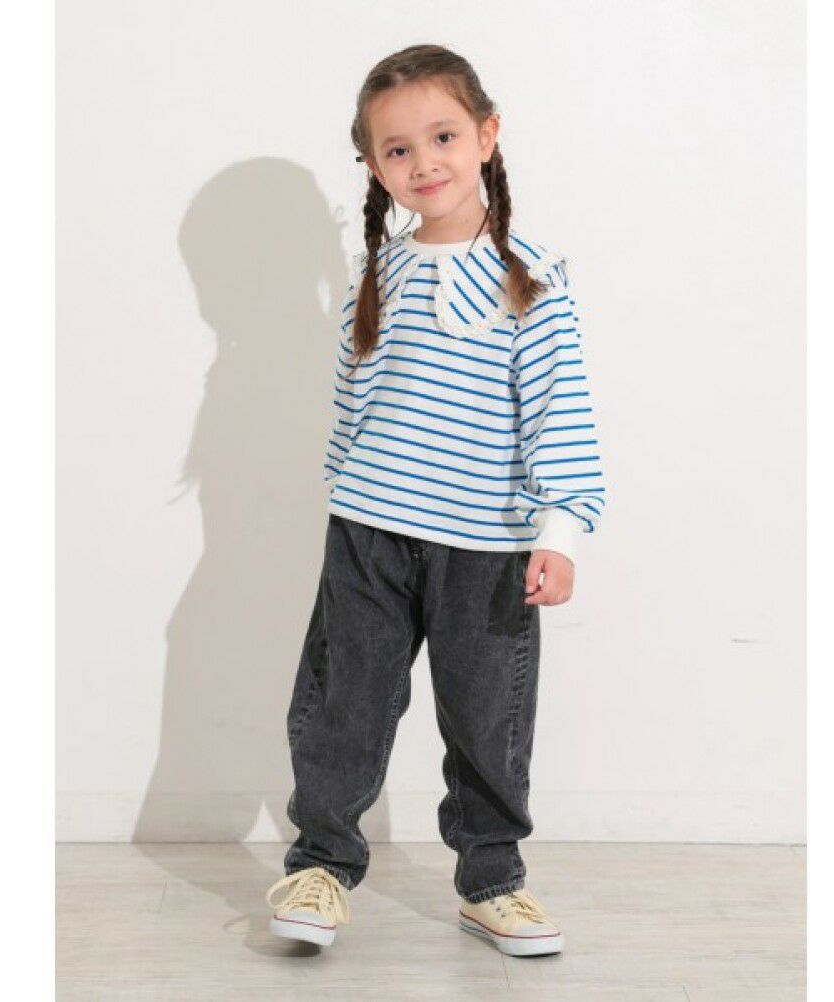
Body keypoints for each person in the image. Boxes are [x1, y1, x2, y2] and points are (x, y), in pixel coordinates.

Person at [266, 43, 608, 957]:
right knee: (344, 703)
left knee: (489, 720)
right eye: (398, 149)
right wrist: (343, 492)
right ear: (374, 167)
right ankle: (321, 864)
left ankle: (492, 880)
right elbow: (354, 396)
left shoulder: (532, 275)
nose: (425, 162)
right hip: (370, 532)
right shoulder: (379, 270)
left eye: (444, 136)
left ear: (488, 136)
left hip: (487, 544)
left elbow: (560, 408)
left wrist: (561, 529)